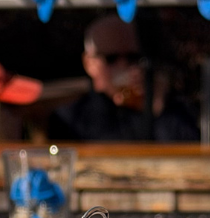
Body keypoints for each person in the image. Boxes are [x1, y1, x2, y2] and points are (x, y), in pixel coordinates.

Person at [50, 16, 199, 143]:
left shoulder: (166, 107)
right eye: (111, 58)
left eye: (132, 57)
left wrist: (157, 105)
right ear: (89, 63)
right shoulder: (70, 116)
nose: (124, 65)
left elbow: (189, 152)